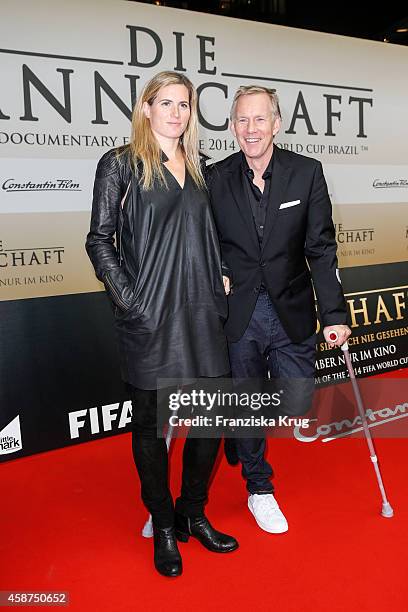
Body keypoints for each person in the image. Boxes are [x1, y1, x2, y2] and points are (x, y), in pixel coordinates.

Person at [86, 71, 238, 577]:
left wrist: (220, 276)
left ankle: (192, 511)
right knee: (151, 429)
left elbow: (204, 236)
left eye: (184, 104)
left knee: (213, 418)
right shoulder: (121, 164)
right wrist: (131, 301)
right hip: (150, 316)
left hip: (202, 313)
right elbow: (99, 240)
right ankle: (163, 524)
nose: (176, 112)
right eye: (165, 102)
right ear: (145, 108)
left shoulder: (199, 169)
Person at [208, 85, 351, 534]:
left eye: (259, 119)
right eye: (242, 121)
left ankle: (238, 431)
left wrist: (334, 314)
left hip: (290, 305)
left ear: (276, 123)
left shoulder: (306, 173)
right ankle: (259, 487)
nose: (251, 129)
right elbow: (204, 241)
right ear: (232, 126)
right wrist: (220, 271)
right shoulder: (214, 178)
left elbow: (321, 248)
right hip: (240, 310)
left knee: (296, 397)